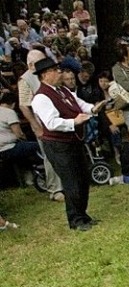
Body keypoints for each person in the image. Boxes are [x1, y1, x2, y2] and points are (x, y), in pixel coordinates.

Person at [30, 56, 108, 231]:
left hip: (73, 141)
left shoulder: (62, 90)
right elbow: (51, 122)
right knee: (71, 181)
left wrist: (93, 108)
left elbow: (79, 104)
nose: (60, 72)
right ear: (45, 75)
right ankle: (75, 220)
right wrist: (74, 122)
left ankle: (83, 214)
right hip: (58, 145)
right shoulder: (41, 97)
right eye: (56, 70)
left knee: (83, 178)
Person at [18, 49, 64, 202]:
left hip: (58, 118)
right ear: (31, 65)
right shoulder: (24, 80)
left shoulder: (49, 74)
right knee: (50, 156)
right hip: (42, 124)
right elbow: (24, 106)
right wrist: (36, 126)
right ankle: (55, 189)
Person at [0, 88, 41, 179]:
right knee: (38, 146)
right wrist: (26, 140)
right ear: (14, 103)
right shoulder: (9, 112)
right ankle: (39, 172)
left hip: (2, 148)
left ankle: (28, 175)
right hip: (9, 147)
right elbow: (19, 134)